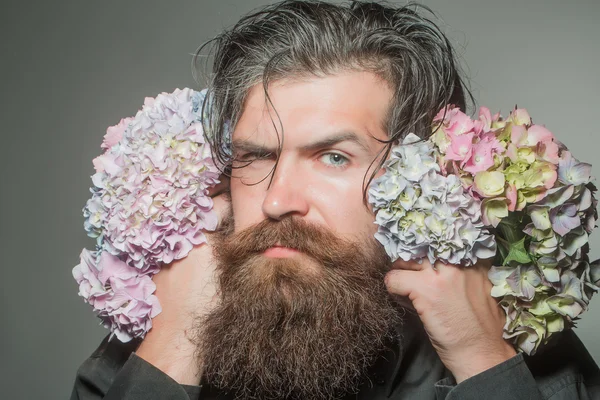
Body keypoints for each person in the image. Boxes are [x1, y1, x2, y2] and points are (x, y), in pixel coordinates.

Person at [71, 1, 600, 399]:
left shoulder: (527, 367)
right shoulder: (142, 357)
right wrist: (171, 350)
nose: (277, 201)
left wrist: (483, 362)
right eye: (254, 157)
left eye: (333, 157)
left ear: (430, 182)